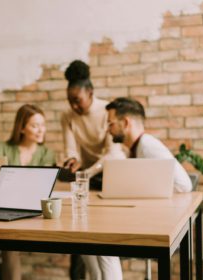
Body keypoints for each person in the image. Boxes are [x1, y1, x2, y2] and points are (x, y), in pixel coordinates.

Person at [0, 104, 55, 280]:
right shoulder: (3, 148)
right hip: (0, 204)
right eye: (35, 125)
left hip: (28, 210)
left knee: (10, 244)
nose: (41, 130)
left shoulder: (47, 153)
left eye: (43, 125)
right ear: (22, 128)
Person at [61, 60, 125, 280]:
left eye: (77, 101)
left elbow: (112, 153)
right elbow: (71, 149)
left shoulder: (108, 111)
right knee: (83, 236)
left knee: (105, 243)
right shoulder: (68, 116)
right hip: (86, 180)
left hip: (112, 177)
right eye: (70, 102)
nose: (74, 107)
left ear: (90, 93)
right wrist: (72, 161)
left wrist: (87, 172)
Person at [105, 97, 192, 192]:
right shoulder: (137, 147)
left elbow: (183, 185)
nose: (108, 129)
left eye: (111, 124)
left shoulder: (147, 146)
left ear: (126, 123)